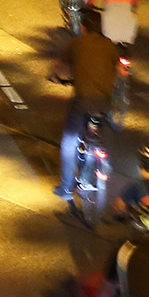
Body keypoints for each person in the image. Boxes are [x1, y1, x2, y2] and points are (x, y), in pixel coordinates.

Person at [52, 28, 121, 198]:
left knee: (69, 141)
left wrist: (55, 76)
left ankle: (66, 188)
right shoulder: (109, 45)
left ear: (84, 28)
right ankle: (98, 161)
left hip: (83, 100)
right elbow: (118, 69)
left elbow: (62, 66)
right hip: (105, 101)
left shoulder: (78, 42)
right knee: (97, 132)